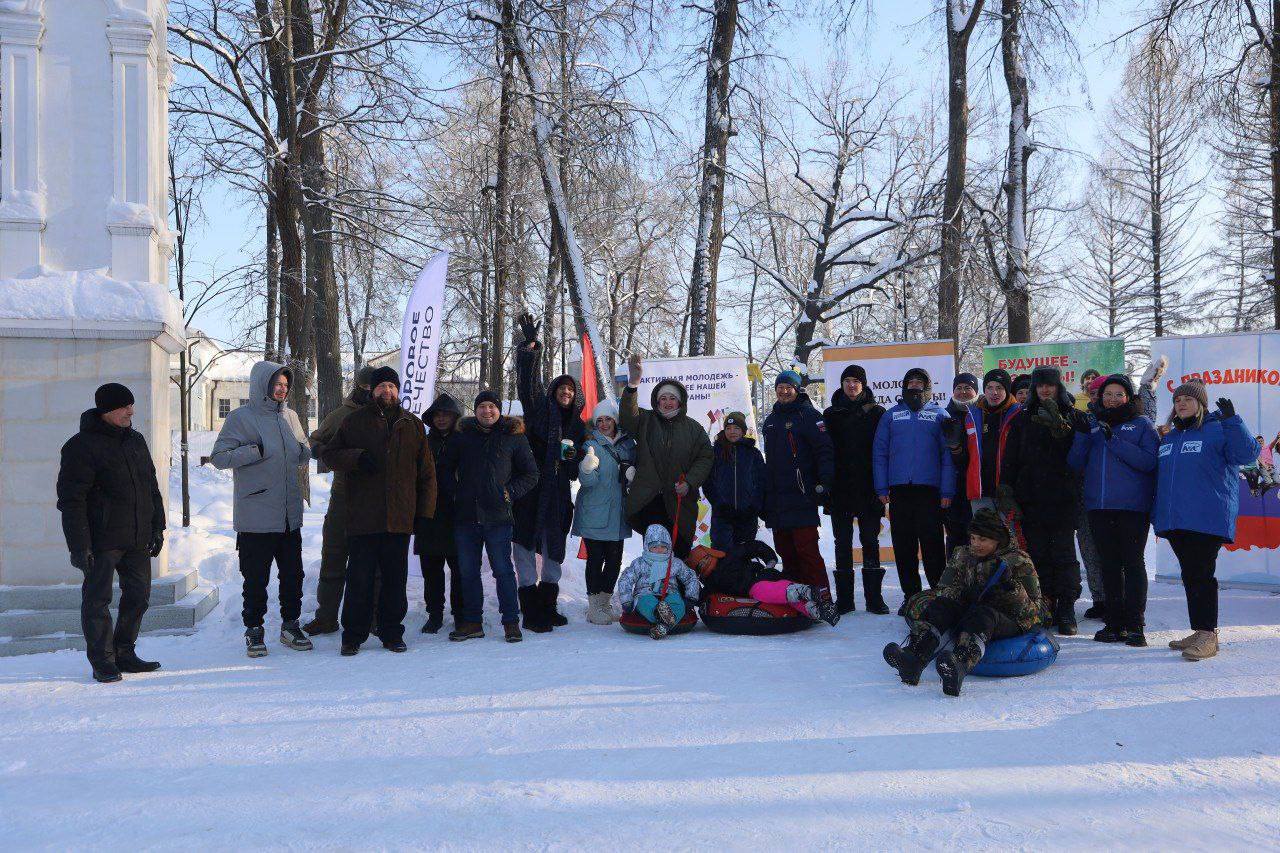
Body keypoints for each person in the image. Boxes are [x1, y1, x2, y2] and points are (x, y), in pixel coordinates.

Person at [321, 366, 436, 656]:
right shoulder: (354, 421)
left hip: (399, 518)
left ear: (399, 391)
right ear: (372, 390)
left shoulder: (412, 425)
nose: (387, 391)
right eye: (382, 386)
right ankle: (353, 635)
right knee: (359, 578)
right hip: (363, 516)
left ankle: (391, 632)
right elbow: (330, 454)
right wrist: (356, 458)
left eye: (392, 386)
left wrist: (424, 514)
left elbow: (426, 473)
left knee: (395, 581)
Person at [56, 383, 166, 683]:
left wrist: (157, 527)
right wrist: (79, 546)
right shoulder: (80, 446)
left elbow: (150, 487)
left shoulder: (136, 440)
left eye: (131, 405)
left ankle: (124, 652)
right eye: (124, 406)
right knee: (97, 600)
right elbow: (71, 500)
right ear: (106, 410)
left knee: (139, 596)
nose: (131, 411)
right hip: (101, 540)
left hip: (137, 537)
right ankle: (102, 661)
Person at [211, 361, 312, 658]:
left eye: (285, 385)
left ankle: (290, 626)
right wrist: (255, 451)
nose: (281, 389)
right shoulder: (241, 417)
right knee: (256, 579)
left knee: (293, 575)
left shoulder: (291, 416)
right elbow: (219, 457)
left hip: (288, 514)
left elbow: (300, 448)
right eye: (276, 384)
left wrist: (306, 450)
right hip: (256, 515)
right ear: (262, 385)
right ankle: (254, 630)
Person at [883, 508, 1042, 696]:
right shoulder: (963, 555)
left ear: (997, 540)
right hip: (972, 609)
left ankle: (960, 663)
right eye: (973, 538)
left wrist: (1009, 589)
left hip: (1007, 618)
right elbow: (944, 588)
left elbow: (1034, 610)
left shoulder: (1018, 561)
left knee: (984, 614)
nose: (975, 544)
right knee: (941, 605)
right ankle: (914, 658)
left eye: (982, 540)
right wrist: (963, 594)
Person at [1155, 383, 1258, 661]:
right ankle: (1200, 630)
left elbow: (1248, 455)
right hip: (1176, 519)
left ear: (1201, 404)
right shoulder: (1172, 437)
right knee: (1191, 575)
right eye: (1178, 400)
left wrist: (1233, 421)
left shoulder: (1218, 429)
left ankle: (1208, 635)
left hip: (1207, 516)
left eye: (1188, 399)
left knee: (1200, 574)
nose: (1182, 403)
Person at [1068, 374, 1158, 647]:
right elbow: (1074, 463)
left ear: (1128, 397)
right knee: (1108, 565)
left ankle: (1135, 624)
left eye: (1119, 394)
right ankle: (1114, 621)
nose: (1112, 399)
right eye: (1108, 394)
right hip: (1099, 506)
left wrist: (1114, 441)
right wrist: (1083, 435)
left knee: (1132, 564)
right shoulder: (1093, 424)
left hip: (1132, 507)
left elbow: (1149, 462)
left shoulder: (1141, 424)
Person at [447, 390, 539, 643]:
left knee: (503, 571)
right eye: (482, 407)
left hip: (498, 517)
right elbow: (445, 469)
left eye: (492, 407)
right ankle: (473, 622)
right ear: (475, 411)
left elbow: (531, 474)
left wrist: (509, 492)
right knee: (467, 572)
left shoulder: (514, 437)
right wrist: (456, 493)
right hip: (466, 517)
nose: (487, 411)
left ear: (499, 410)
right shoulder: (462, 436)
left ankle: (511, 622)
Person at [1002, 366, 1087, 635]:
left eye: (1050, 384)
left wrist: (1063, 433)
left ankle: (1067, 607)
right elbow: (1011, 459)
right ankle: (1044, 603)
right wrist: (1005, 489)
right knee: (1037, 554)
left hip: (1063, 499)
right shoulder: (1021, 419)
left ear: (1059, 386)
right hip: (1031, 499)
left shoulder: (1074, 416)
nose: (1045, 390)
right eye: (1040, 385)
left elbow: (1079, 458)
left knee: (1063, 554)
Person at [515, 315, 585, 633]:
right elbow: (528, 386)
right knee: (526, 548)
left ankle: (548, 605)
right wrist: (530, 349)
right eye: (561, 388)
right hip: (530, 493)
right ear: (554, 391)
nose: (565, 392)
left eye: (571, 389)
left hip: (557, 496)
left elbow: (572, 470)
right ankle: (531, 610)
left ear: (577, 396)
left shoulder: (576, 427)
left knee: (554, 551)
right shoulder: (538, 412)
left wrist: (575, 458)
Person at [872, 368, 955, 612]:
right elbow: (880, 453)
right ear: (904, 386)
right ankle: (911, 596)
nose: (915, 385)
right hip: (900, 491)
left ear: (927, 386)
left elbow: (947, 456)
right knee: (904, 546)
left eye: (920, 382)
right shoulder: (891, 416)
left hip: (930, 491)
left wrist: (947, 492)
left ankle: (937, 596)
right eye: (911, 382)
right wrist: (881, 486)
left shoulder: (940, 414)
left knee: (932, 546)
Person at [619, 354, 714, 558]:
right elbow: (628, 417)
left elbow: (705, 457)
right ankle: (652, 589)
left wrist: (689, 482)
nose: (668, 402)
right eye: (663, 398)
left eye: (672, 398)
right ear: (657, 401)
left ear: (680, 402)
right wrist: (633, 385)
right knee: (655, 552)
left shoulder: (693, 429)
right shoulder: (646, 420)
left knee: (678, 553)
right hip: (649, 500)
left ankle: (675, 589)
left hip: (680, 501)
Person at [305, 365, 374, 635]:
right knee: (333, 557)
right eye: (366, 388)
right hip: (344, 497)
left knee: (374, 565)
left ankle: (374, 617)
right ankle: (326, 617)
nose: (370, 393)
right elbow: (313, 444)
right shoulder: (341, 416)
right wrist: (337, 455)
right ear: (358, 387)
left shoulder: (390, 416)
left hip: (375, 501)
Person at [761, 371, 836, 594]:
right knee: (786, 551)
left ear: (797, 390)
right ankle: (795, 598)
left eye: (788, 387)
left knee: (807, 550)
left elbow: (824, 451)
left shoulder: (809, 416)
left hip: (802, 494)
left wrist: (824, 482)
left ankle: (821, 597)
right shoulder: (771, 420)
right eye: (780, 387)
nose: (784, 391)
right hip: (777, 498)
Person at [823, 364, 889, 614]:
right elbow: (825, 453)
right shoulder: (830, 414)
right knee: (842, 542)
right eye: (847, 380)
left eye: (856, 381)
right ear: (841, 384)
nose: (852, 385)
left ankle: (874, 599)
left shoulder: (877, 413)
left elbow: (884, 451)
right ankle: (845, 601)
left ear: (864, 384)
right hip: (839, 489)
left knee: (870, 541)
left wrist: (882, 485)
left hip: (869, 488)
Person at [573, 400, 637, 625]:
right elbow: (586, 482)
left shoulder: (627, 445)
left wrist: (632, 476)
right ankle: (594, 607)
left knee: (614, 560)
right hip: (594, 511)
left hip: (618, 513)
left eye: (607, 419)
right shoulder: (590, 444)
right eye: (599, 420)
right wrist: (587, 468)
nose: (603, 424)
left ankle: (604, 603)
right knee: (596, 559)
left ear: (615, 421)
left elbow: (634, 474)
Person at [949, 369, 1020, 557]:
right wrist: (955, 446)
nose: (994, 393)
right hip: (980, 491)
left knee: (1009, 542)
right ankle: (984, 582)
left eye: (999, 388)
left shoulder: (1018, 414)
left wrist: (1013, 486)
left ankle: (1011, 583)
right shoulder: (973, 415)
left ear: (1007, 390)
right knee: (982, 544)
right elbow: (965, 459)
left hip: (1007, 490)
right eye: (989, 388)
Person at [693, 540, 840, 626]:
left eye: (705, 560)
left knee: (761, 591)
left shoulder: (730, 556)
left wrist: (770, 560)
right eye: (700, 565)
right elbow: (700, 597)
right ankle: (818, 611)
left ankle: (807, 591)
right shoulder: (712, 582)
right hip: (764, 583)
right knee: (785, 599)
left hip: (761, 577)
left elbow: (754, 546)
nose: (704, 565)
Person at [416, 392, 464, 634]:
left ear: (455, 417)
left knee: (459, 568)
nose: (442, 419)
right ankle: (434, 613)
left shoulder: (464, 441)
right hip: (429, 515)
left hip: (457, 514)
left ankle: (460, 614)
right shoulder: (423, 442)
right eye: (438, 414)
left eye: (446, 414)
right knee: (431, 570)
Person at [615, 525, 702, 639]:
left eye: (663, 546)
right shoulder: (640, 563)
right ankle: (660, 615)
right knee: (645, 603)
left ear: (669, 547)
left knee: (678, 604)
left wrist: (691, 597)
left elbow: (690, 577)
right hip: (645, 593)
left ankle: (663, 625)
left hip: (669, 592)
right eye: (654, 546)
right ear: (647, 547)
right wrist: (627, 601)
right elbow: (626, 579)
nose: (659, 549)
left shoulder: (674, 563)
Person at [1076, 373, 1111, 621]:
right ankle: (1099, 598)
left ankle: (1118, 599)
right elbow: (1075, 458)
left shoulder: (1129, 418)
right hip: (1085, 493)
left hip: (1115, 496)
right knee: (1089, 548)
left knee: (1113, 551)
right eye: (1094, 393)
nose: (1097, 397)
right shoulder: (1084, 419)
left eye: (1103, 392)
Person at [703, 411, 765, 551]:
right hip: (722, 516)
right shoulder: (715, 452)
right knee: (721, 554)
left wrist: (753, 507)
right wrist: (720, 505)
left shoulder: (753, 453)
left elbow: (761, 482)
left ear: (743, 431)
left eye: (736, 428)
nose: (732, 432)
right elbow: (708, 482)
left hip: (746, 515)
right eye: (728, 428)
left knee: (744, 554)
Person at [942, 373, 981, 555]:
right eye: (959, 388)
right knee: (955, 538)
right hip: (953, 487)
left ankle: (978, 581)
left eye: (967, 388)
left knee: (979, 537)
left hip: (979, 486)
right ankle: (954, 581)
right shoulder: (944, 415)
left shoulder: (982, 413)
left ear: (976, 391)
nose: (963, 392)